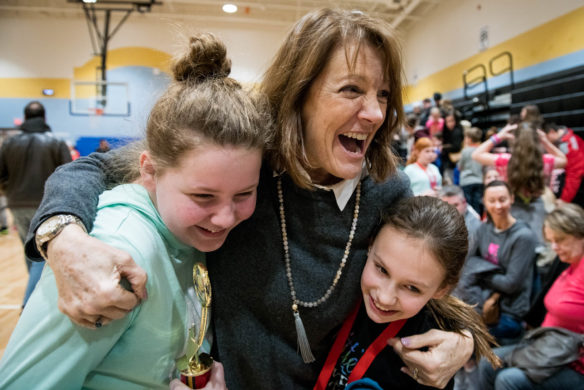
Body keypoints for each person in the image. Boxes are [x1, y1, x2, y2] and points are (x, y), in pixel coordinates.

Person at [24, 9, 474, 389]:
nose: (375, 113)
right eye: (352, 90)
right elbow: (92, 168)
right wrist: (64, 239)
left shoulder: (386, 189)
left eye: (383, 95)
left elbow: (424, 273)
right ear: (299, 94)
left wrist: (463, 341)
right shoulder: (245, 164)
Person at [0, 32, 269, 389]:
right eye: (203, 196)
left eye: (243, 194)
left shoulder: (187, 234)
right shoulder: (115, 254)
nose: (224, 217)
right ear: (149, 170)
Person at [317, 196, 500, 390]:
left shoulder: (430, 361)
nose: (384, 298)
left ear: (442, 289)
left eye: (412, 288)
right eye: (381, 269)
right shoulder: (339, 284)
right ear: (370, 245)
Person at [478, 203, 584, 389]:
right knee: (488, 362)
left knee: (508, 380)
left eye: (560, 240)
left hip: (574, 360)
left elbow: (511, 283)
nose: (555, 247)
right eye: (551, 241)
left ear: (580, 235)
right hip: (547, 348)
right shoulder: (569, 263)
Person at [0, 101, 72, 306]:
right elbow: (69, 174)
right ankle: (30, 303)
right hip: (47, 203)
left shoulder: (9, 143)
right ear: (45, 117)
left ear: (24, 118)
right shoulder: (56, 141)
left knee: (30, 250)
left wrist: (10, 191)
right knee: (42, 253)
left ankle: (35, 299)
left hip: (17, 204)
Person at [456, 181, 539, 342]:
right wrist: (487, 273)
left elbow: (510, 284)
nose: (498, 206)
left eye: (502, 199)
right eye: (492, 201)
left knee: (460, 334)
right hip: (481, 299)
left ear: (512, 199)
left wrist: (480, 272)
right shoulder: (483, 228)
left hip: (507, 310)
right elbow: (467, 263)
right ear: (484, 202)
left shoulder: (523, 237)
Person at [472, 122, 567, 245]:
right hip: (538, 208)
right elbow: (564, 160)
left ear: (515, 142)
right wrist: (545, 141)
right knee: (538, 244)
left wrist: (499, 136)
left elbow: (476, 154)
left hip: (512, 209)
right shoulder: (545, 162)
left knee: (513, 245)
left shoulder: (506, 161)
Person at [543, 123, 584, 207]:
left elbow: (575, 174)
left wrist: (564, 199)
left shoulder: (567, 147)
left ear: (551, 132)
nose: (545, 141)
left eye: (546, 137)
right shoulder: (570, 137)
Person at [459, 126, 485, 215]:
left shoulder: (465, 151)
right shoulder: (482, 150)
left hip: (467, 181)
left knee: (468, 205)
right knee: (477, 204)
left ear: (469, 139)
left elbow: (460, 166)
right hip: (479, 180)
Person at [441, 111, 464, 185]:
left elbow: (456, 147)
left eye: (452, 121)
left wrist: (443, 147)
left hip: (454, 162)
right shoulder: (447, 131)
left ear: (455, 121)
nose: (449, 123)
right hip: (450, 161)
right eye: (447, 121)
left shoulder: (456, 131)